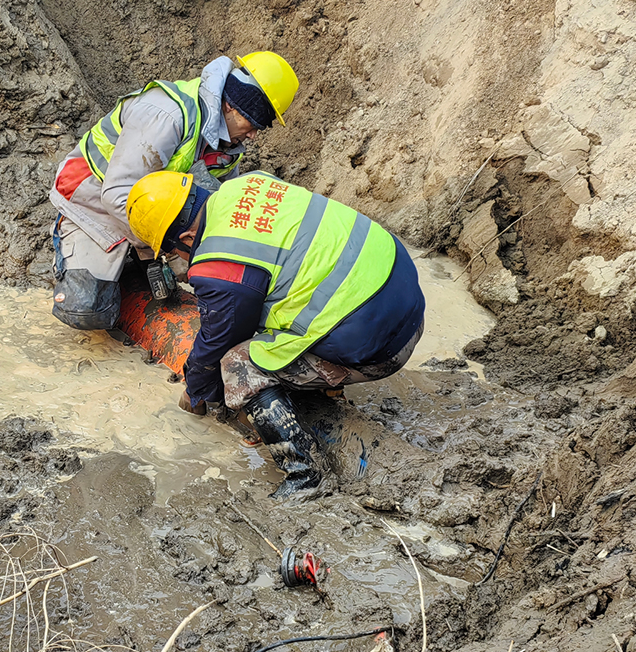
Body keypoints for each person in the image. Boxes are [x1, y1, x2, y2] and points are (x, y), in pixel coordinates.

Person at [125, 170, 426, 498]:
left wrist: (197, 392)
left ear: (186, 239)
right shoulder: (249, 184)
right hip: (405, 300)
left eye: (172, 253)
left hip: (381, 348)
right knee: (280, 307)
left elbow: (217, 341)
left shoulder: (218, 265)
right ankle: (327, 389)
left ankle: (305, 474)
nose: (179, 260)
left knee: (238, 365)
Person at [48, 52, 299, 330]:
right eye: (254, 122)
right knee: (87, 310)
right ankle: (84, 250)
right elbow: (117, 194)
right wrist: (170, 250)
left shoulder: (228, 148)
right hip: (93, 205)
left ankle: (133, 263)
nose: (253, 135)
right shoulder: (167, 115)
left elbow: (225, 214)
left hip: (153, 214)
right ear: (231, 105)